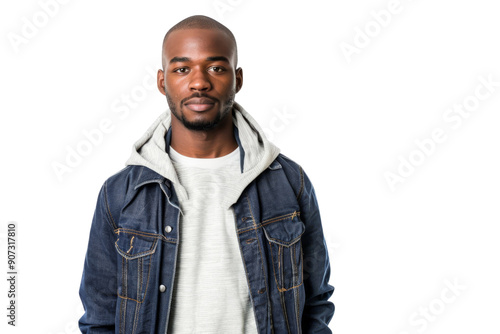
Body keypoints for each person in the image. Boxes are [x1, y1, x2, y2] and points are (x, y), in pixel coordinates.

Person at [78, 14, 334, 334]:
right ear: (162, 81)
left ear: (237, 78)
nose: (199, 82)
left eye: (216, 67)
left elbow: (316, 300)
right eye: (182, 69)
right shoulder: (121, 193)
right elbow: (101, 317)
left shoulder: (287, 181)